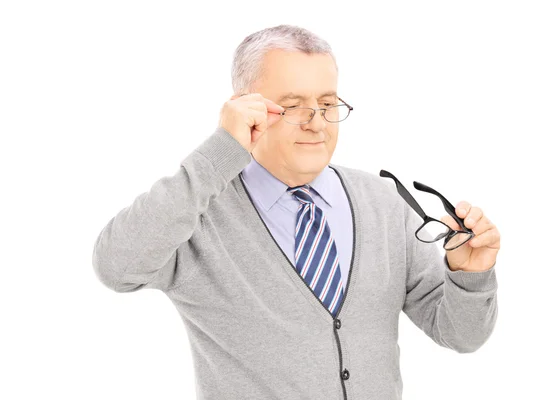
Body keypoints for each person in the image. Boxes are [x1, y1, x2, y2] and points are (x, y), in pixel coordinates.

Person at [92, 24, 501, 400]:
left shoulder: (383, 203)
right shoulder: (196, 214)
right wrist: (220, 152)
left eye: (327, 103)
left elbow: (461, 335)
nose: (317, 122)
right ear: (243, 109)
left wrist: (470, 276)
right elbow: (117, 268)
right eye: (293, 105)